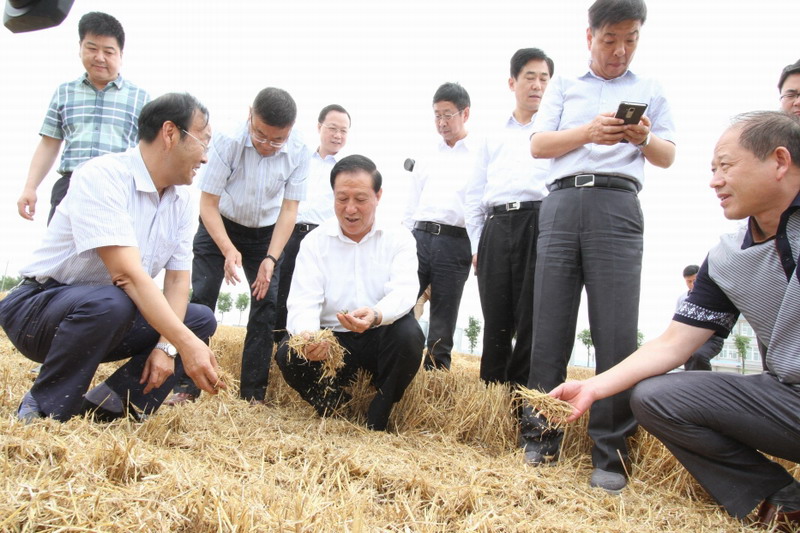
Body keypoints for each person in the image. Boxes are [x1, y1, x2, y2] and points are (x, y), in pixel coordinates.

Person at [551, 111, 800, 530]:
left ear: (779, 161)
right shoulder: (727, 258)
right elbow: (673, 343)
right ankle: (783, 500)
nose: (715, 181)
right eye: (712, 169)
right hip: (788, 401)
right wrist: (592, 387)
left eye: (726, 166)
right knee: (656, 397)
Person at [522, 0, 676, 494]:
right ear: (589, 36)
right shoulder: (564, 84)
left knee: (616, 333)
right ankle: (540, 436)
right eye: (611, 39)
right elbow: (538, 144)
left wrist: (643, 138)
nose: (620, 50)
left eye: (631, 39)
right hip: (563, 203)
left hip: (618, 205)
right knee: (550, 326)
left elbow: (669, 155)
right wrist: (588, 132)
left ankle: (610, 451)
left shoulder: (650, 88)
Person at [0, 93, 224, 422]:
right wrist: (187, 345)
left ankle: (109, 406)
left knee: (199, 319)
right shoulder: (104, 175)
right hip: (40, 309)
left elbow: (177, 281)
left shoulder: (182, 201)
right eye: (203, 142)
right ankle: (46, 407)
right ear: (170, 133)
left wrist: (167, 347)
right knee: (115, 301)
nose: (205, 157)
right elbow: (126, 275)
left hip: (107, 313)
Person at [166, 88, 311, 406]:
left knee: (266, 305)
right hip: (220, 223)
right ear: (250, 116)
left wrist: (271, 258)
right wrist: (228, 249)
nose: (267, 145)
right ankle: (185, 386)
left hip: (267, 233)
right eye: (260, 134)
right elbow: (208, 203)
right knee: (202, 298)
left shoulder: (301, 148)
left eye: (277, 140)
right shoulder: (227, 139)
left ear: (290, 131)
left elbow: (289, 210)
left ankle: (253, 395)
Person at [275, 154, 424, 431]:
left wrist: (376, 314)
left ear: (378, 196)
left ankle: (380, 411)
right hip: (332, 343)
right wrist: (309, 337)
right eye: (342, 199)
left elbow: (404, 291)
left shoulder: (399, 237)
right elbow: (303, 301)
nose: (350, 209)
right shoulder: (314, 242)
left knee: (409, 335)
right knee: (288, 352)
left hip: (378, 335)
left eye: (360, 199)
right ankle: (333, 406)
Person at [465, 47, 553, 386]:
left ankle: (521, 399)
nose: (537, 85)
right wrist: (477, 244)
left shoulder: (555, 131)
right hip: (497, 226)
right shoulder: (491, 134)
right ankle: (490, 395)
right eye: (530, 77)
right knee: (496, 318)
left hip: (539, 222)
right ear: (512, 82)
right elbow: (474, 194)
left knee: (531, 316)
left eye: (544, 79)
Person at [17, 11, 150, 224]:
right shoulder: (64, 92)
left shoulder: (140, 98)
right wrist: (30, 188)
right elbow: (49, 144)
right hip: (69, 187)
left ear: (121, 55)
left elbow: (149, 153)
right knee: (58, 246)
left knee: (113, 246)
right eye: (92, 48)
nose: (100, 57)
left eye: (108, 51)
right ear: (80, 47)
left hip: (117, 190)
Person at [403, 82, 478, 370]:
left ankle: (434, 375)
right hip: (419, 238)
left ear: (465, 113)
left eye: (448, 115)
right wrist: (404, 241)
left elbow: (480, 207)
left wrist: (477, 247)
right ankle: (399, 363)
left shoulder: (479, 155)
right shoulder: (426, 154)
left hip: (456, 241)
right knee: (403, 303)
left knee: (443, 319)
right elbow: (411, 204)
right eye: (437, 115)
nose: (442, 122)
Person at [274, 104, 351, 343]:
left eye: (344, 131)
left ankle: (311, 344)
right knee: (282, 291)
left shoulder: (346, 169)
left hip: (323, 239)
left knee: (316, 293)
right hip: (290, 233)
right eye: (333, 128)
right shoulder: (300, 158)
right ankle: (279, 345)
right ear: (319, 127)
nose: (338, 135)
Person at [676, 264, 723, 371]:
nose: (692, 284)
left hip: (711, 338)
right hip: (690, 338)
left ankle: (706, 380)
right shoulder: (682, 299)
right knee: (684, 355)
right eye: (689, 281)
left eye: (695, 280)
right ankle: (689, 379)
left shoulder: (712, 296)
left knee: (699, 355)